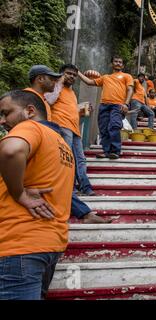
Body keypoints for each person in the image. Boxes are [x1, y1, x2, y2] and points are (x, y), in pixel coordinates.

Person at [0, 90, 75, 300]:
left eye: (6, 113)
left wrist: (19, 194)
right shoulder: (62, 144)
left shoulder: (29, 127)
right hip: (51, 243)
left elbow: (11, 151)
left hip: (17, 243)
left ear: (29, 111)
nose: (3, 120)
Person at [44, 63, 96, 197]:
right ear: (61, 74)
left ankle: (85, 186)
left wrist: (82, 112)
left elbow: (71, 111)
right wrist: (60, 81)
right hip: (61, 126)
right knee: (67, 159)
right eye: (68, 73)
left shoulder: (72, 92)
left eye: (74, 75)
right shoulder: (55, 86)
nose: (72, 76)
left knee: (81, 159)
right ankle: (70, 188)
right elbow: (48, 101)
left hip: (74, 129)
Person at [78, 56, 133, 160]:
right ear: (112, 64)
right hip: (104, 105)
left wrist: (126, 104)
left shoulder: (126, 76)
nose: (118, 63)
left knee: (114, 126)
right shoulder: (105, 77)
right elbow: (89, 82)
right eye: (115, 61)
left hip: (118, 105)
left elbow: (130, 90)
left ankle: (115, 151)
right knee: (103, 129)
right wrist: (78, 72)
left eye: (120, 62)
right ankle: (107, 151)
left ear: (123, 65)